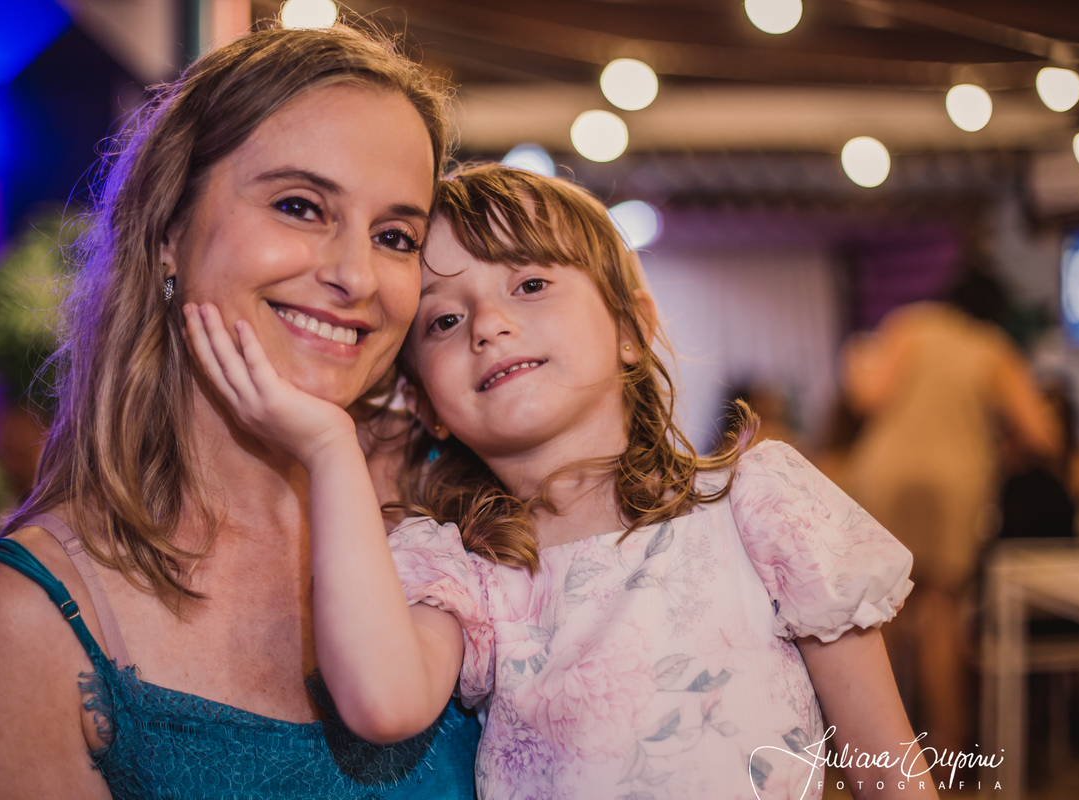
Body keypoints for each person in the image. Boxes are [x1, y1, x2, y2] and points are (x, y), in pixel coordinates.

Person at [184, 163, 935, 798]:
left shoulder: (756, 506)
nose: (488, 324)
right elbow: (383, 702)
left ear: (631, 329)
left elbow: (890, 772)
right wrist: (329, 448)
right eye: (443, 322)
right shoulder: (470, 574)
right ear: (425, 403)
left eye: (531, 283)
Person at [0, 25, 480, 799]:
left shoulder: (461, 532)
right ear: (168, 233)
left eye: (395, 236)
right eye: (300, 206)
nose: (357, 276)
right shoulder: (32, 609)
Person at [842, 266, 1060, 757]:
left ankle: (879, 747)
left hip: (885, 475)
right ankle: (948, 750)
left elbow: (868, 396)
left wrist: (852, 362)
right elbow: (1041, 435)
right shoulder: (993, 347)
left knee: (882, 614)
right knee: (942, 617)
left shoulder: (911, 326)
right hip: (956, 484)